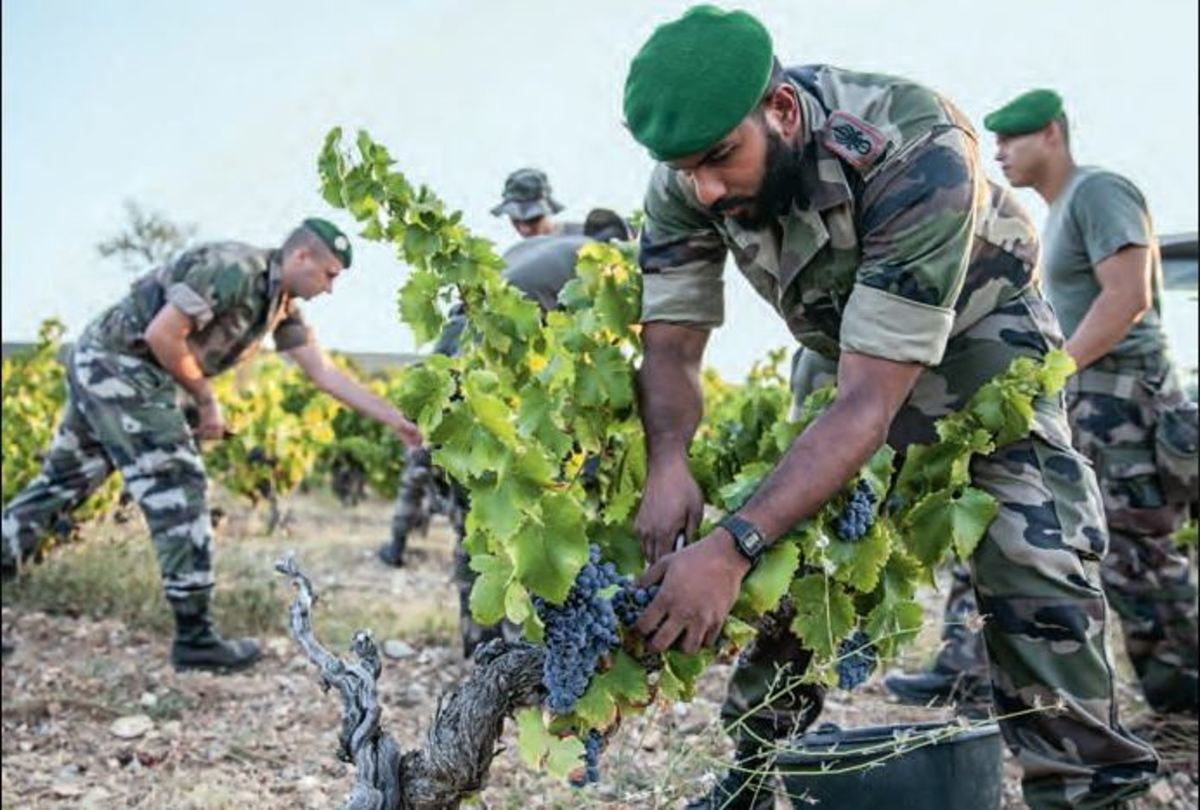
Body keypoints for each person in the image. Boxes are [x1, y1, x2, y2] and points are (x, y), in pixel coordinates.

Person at [621, 7, 1159, 809]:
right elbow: (671, 344)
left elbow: (870, 407)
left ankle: (1086, 792)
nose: (706, 188)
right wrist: (669, 463)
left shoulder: (918, 147)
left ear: (782, 110)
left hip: (983, 339)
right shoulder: (688, 173)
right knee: (796, 549)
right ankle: (757, 774)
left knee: (1032, 547)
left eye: (722, 160)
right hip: (846, 347)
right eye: (686, 170)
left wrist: (727, 548)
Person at [886, 90, 1200, 720]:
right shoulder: (1054, 215)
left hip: (1126, 405)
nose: (999, 154)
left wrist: (1052, 371)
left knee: (1144, 557)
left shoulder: (1099, 191)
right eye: (996, 142)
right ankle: (977, 673)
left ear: (1052, 133)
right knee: (1065, 543)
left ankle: (1185, 697)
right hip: (1088, 400)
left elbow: (1128, 297)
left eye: (1012, 139)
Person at [1, 219, 422, 673]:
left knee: (60, 486)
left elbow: (323, 374)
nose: (331, 288)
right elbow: (163, 334)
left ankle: (194, 634)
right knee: (178, 483)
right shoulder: (234, 269)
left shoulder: (279, 306)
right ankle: (195, 638)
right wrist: (206, 402)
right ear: (302, 257)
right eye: (330, 274)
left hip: (116, 369)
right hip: (120, 365)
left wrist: (397, 419)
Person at [379, 213, 633, 660]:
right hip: (483, 383)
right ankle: (522, 665)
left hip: (450, 378)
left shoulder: (537, 250)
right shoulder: (595, 264)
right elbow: (586, 375)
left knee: (476, 526)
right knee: (517, 528)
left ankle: (482, 659)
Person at [490, 168, 583, 239]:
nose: (524, 230)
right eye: (516, 220)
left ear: (547, 210)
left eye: (533, 220)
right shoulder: (520, 256)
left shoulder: (583, 237)